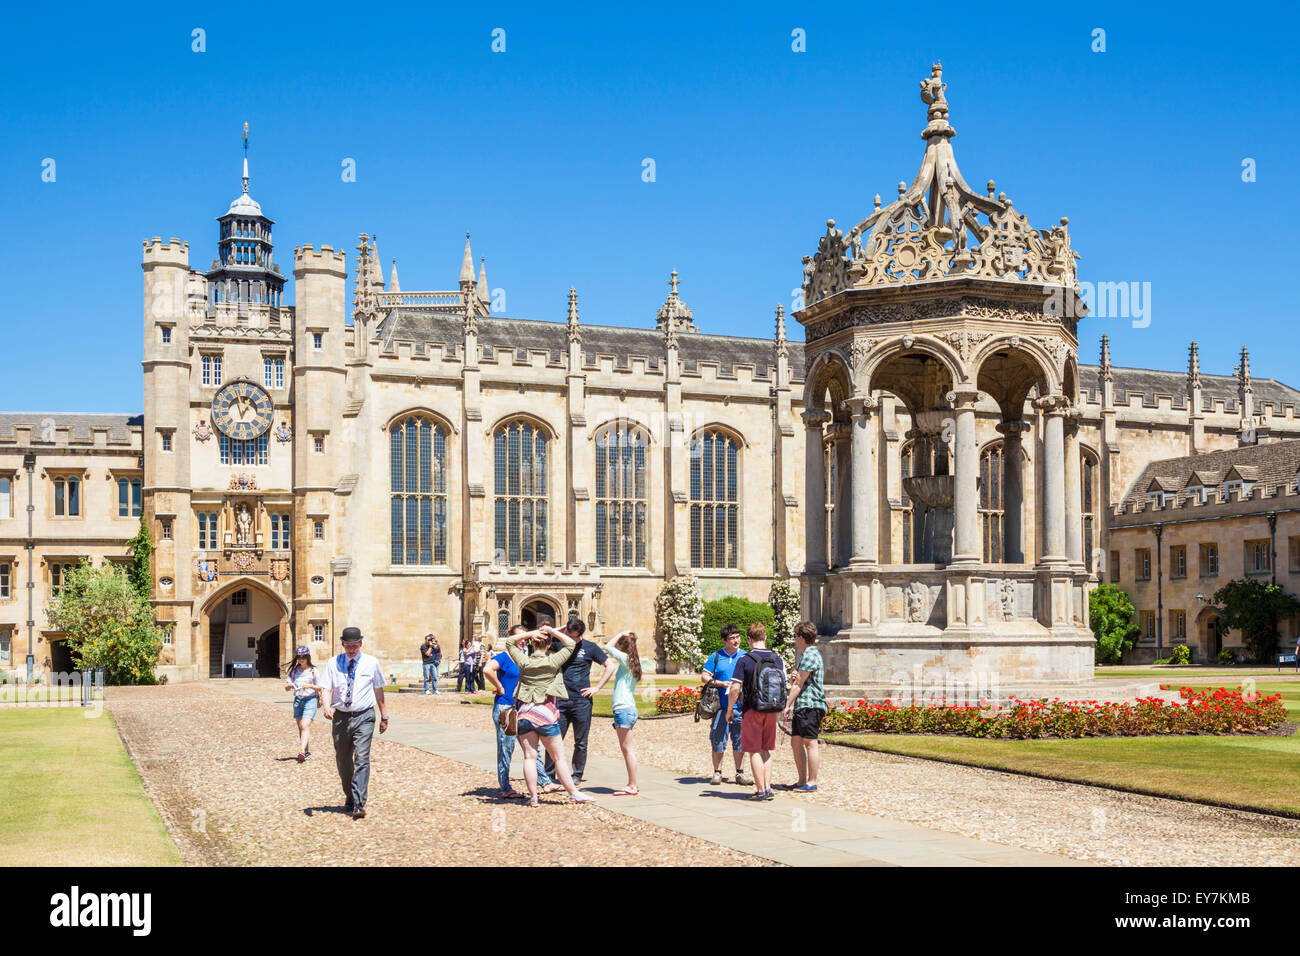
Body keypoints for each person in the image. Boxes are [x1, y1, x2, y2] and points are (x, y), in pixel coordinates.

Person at [506, 620, 595, 806]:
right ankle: (573, 793)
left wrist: (530, 633)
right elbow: (570, 643)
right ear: (548, 645)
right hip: (545, 714)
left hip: (525, 713)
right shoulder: (553, 661)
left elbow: (509, 642)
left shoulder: (524, 661)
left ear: (532, 644)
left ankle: (533, 797)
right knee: (559, 758)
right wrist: (550, 631)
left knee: (529, 757)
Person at [483, 624, 560, 798]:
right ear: (512, 638)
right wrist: (499, 687)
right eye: (520, 638)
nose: (523, 641)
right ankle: (505, 787)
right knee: (506, 747)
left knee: (532, 748)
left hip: (523, 708)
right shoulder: (504, 657)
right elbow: (487, 669)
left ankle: (545, 782)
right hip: (506, 707)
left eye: (526, 638)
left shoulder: (525, 658)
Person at [320, 627, 389, 819]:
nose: (351, 649)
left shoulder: (371, 663)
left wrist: (384, 716)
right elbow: (325, 688)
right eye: (348, 646)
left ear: (361, 644)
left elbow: (378, 691)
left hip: (364, 716)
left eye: (355, 645)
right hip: (341, 716)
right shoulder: (334, 663)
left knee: (361, 758)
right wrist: (326, 707)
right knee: (343, 759)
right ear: (343, 644)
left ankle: (359, 802)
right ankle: (350, 795)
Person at [543, 616, 616, 785]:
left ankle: (577, 774)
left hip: (581, 700)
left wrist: (597, 688)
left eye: (573, 635)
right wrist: (561, 630)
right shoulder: (560, 644)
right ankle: (549, 774)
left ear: (580, 635)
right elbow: (543, 635)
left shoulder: (589, 647)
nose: (570, 638)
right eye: (568, 633)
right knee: (553, 738)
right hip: (560, 699)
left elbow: (610, 666)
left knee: (581, 742)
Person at [728, 621, 785, 801]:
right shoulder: (777, 658)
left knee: (753, 750)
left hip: (753, 708)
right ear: (765, 637)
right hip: (772, 708)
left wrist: (730, 709)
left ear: (749, 639)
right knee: (766, 749)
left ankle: (760, 791)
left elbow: (736, 688)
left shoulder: (744, 660)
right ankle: (768, 788)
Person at [701, 624, 752, 787]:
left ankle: (740, 773)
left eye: (738, 637)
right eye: (732, 638)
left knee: (740, 741)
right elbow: (704, 676)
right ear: (724, 640)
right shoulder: (716, 656)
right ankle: (717, 772)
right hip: (720, 708)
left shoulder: (746, 656)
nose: (736, 640)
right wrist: (719, 683)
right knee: (718, 740)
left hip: (741, 707)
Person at [780, 621, 826, 792]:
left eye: (795, 636)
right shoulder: (807, 656)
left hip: (810, 704)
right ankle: (801, 780)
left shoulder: (809, 655)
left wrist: (786, 705)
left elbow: (799, 685)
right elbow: (798, 680)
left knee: (810, 742)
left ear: (800, 637)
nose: (794, 640)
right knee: (796, 741)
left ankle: (811, 782)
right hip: (803, 705)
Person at [603, 630, 641, 796]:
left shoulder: (626, 660)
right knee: (627, 749)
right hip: (628, 708)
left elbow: (607, 647)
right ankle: (632, 784)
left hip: (623, 708)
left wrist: (619, 633)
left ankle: (632, 785)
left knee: (627, 750)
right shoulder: (632, 661)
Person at [284, 646, 323, 763]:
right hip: (298, 700)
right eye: (299, 657)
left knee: (305, 725)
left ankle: (301, 750)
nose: (301, 659)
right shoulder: (294, 671)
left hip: (310, 699)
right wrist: (289, 686)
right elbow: (286, 687)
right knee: (301, 727)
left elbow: (321, 687)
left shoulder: (313, 671)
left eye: (304, 657)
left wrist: (310, 686)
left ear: (308, 657)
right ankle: (306, 751)